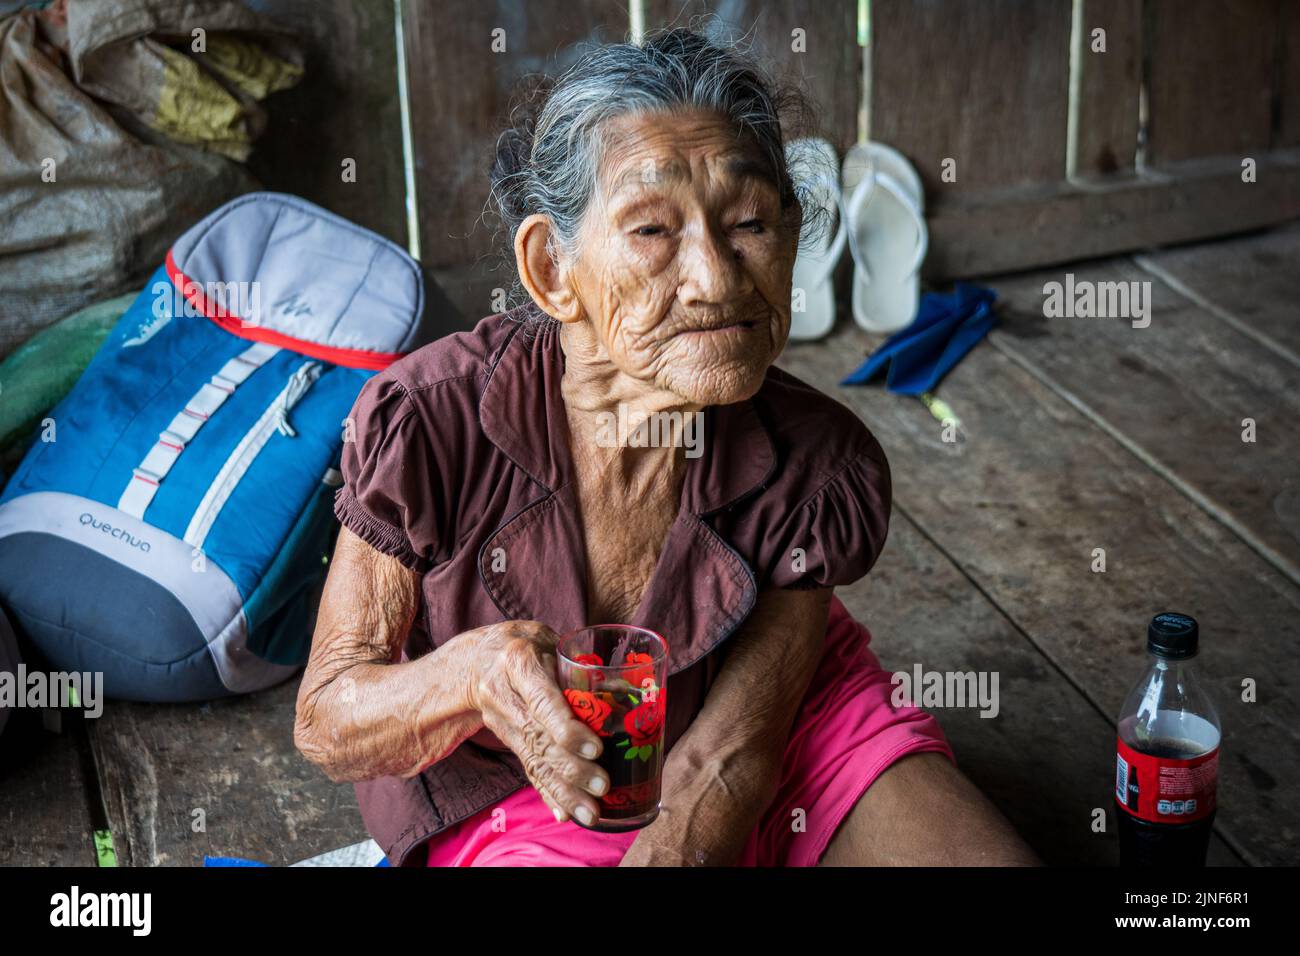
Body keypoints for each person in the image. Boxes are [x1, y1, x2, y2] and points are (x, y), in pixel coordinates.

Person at [294, 27, 1040, 867]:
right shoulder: (433, 420)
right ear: (550, 269)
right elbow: (327, 717)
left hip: (785, 723)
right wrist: (472, 676)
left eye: (751, 222)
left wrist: (692, 827)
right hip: (523, 785)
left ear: (793, 237)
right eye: (653, 231)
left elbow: (733, 761)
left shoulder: (816, 461)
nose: (719, 281)